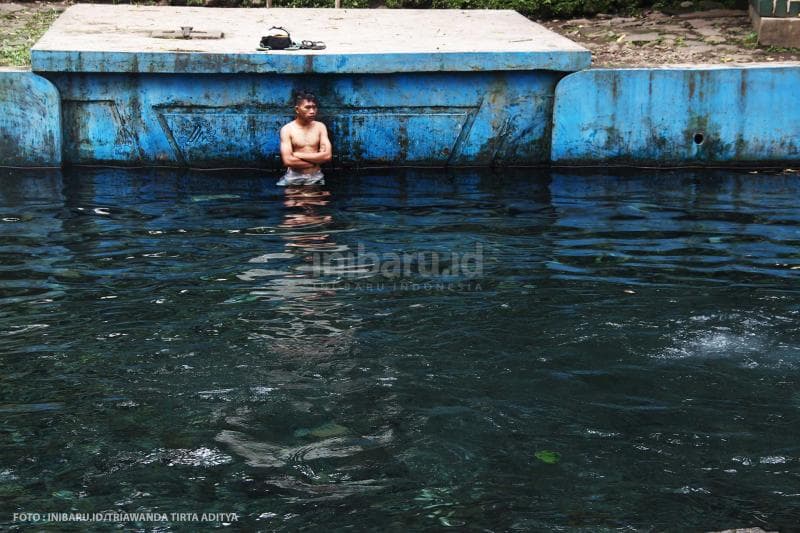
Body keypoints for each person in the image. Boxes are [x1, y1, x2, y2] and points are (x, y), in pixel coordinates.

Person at [278, 91, 333, 186]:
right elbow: (288, 161)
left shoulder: (320, 127)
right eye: (307, 107)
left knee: (320, 200)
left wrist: (297, 154)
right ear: (297, 109)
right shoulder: (287, 129)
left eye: (314, 107)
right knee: (290, 200)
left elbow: (327, 156)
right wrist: (316, 162)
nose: (312, 111)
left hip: (316, 177)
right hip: (293, 178)